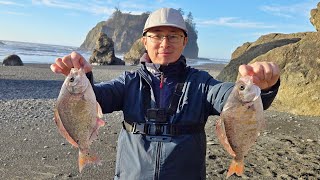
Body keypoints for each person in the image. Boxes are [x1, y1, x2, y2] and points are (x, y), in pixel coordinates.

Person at [51, 7, 280, 180]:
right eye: (156, 35)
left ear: (184, 42)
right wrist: (85, 78)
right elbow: (96, 99)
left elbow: (227, 96)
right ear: (145, 41)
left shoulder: (201, 82)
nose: (164, 43)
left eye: (173, 36)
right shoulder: (128, 81)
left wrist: (263, 88)